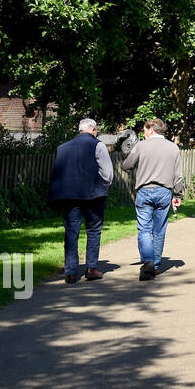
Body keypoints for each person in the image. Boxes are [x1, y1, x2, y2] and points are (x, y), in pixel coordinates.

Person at [47, 118, 113, 283]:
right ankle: (91, 268)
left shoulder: (62, 148)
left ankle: (70, 272)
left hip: (69, 196)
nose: (97, 132)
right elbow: (107, 173)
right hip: (93, 195)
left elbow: (59, 173)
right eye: (96, 130)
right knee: (94, 230)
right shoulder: (98, 145)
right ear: (92, 129)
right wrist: (104, 186)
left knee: (71, 232)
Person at [122, 118, 185, 281]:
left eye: (144, 130)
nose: (143, 133)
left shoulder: (141, 146)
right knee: (159, 229)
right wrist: (177, 195)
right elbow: (178, 176)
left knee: (144, 229)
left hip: (144, 191)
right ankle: (155, 265)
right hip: (164, 192)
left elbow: (126, 166)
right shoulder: (173, 148)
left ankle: (148, 261)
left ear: (151, 129)